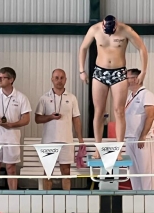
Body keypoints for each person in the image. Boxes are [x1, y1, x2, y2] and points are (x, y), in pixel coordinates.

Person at [79, 15, 148, 160]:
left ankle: (118, 150)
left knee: (119, 111)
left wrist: (143, 71)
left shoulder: (126, 30)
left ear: (116, 25)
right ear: (103, 25)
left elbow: (142, 48)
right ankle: (98, 149)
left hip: (118, 73)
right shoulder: (95, 29)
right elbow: (83, 47)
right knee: (98, 111)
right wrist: (81, 70)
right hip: (99, 72)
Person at [35, 69, 84, 190]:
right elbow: (37, 119)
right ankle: (46, 199)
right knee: (47, 172)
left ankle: (66, 199)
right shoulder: (44, 98)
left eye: (62, 78)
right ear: (52, 79)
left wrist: (80, 138)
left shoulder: (72, 98)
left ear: (65, 80)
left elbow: (76, 119)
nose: (59, 80)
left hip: (66, 140)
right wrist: (50, 117)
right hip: (48, 141)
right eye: (56, 77)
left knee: (66, 171)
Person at [125, 68, 154, 190]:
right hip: (129, 138)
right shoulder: (130, 96)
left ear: (136, 79)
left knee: (145, 173)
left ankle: (148, 202)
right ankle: (136, 199)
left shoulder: (146, 94)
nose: (125, 81)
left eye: (127, 78)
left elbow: (150, 115)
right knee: (134, 173)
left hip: (142, 139)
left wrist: (143, 136)